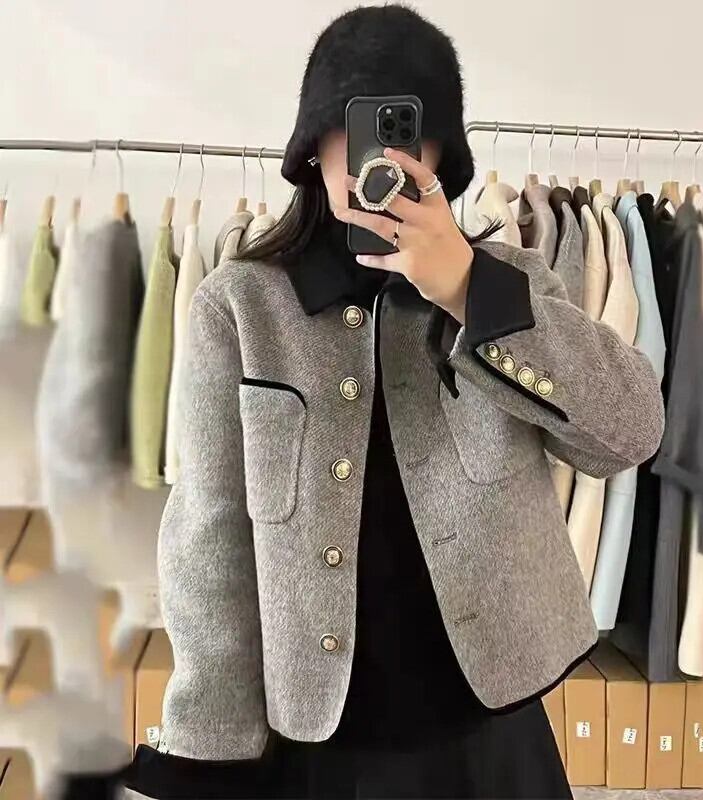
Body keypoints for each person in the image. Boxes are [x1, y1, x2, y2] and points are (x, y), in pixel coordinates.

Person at [122, 5, 664, 798]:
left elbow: (631, 431)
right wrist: (209, 755)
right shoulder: (240, 307)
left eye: (408, 129)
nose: (380, 156)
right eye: (355, 126)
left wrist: (469, 291)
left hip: (491, 737)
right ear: (314, 147)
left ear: (443, 155)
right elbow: (209, 542)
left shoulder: (509, 283)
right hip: (317, 746)